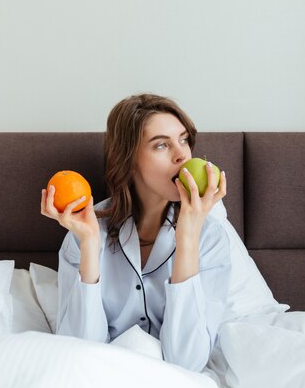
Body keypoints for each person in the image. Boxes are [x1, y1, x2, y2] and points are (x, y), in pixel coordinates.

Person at [40, 93, 230, 372]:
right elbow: (79, 352)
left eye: (184, 139)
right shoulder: (84, 232)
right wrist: (90, 246)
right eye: (162, 145)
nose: (182, 155)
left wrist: (188, 238)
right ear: (128, 160)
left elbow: (187, 362)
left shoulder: (210, 238)